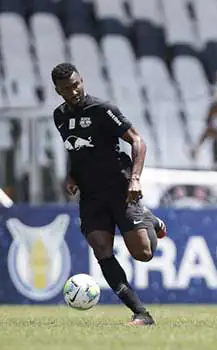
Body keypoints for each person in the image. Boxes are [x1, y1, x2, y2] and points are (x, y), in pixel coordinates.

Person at [51, 62, 167, 326]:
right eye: (67, 88)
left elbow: (137, 140)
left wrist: (135, 179)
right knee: (101, 250)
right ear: (58, 91)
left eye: (77, 84)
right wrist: (70, 176)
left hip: (120, 189)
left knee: (143, 254)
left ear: (82, 81)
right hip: (90, 196)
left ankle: (149, 218)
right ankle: (141, 313)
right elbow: (74, 150)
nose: (74, 91)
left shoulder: (103, 110)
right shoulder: (59, 116)